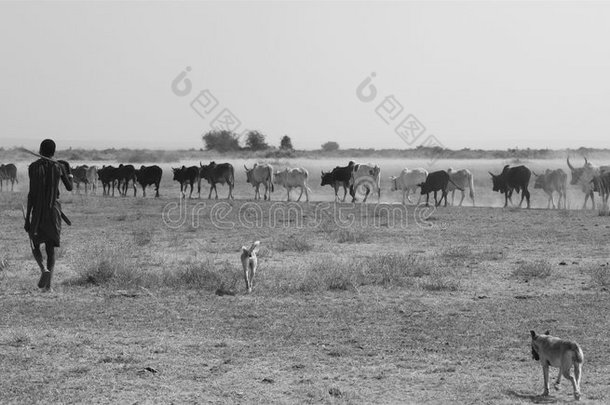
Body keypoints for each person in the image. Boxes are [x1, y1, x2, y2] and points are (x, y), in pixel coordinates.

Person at [24, 139, 73, 291]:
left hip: (38, 210)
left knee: (35, 243)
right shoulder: (59, 167)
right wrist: (69, 173)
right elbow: (70, 188)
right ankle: (49, 287)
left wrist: (28, 218)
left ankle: (42, 269)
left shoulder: (33, 167)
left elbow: (31, 194)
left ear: (40, 150)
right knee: (51, 248)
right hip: (54, 210)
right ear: (54, 152)